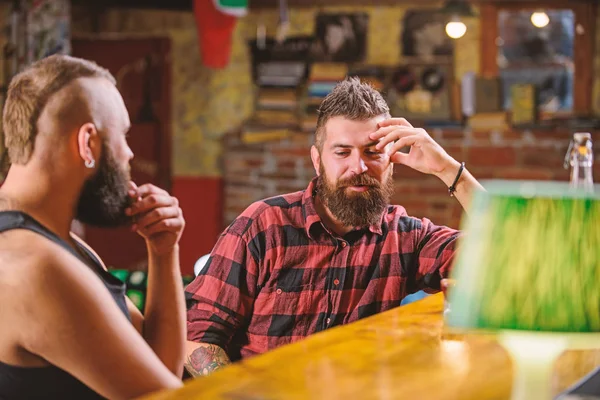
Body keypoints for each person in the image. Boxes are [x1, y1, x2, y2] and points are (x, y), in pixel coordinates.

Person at [185, 77, 484, 377]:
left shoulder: (405, 237)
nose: (359, 167)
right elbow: (197, 336)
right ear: (318, 161)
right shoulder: (263, 226)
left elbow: (509, 253)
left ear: (391, 162)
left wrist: (448, 170)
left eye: (373, 152)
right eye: (342, 153)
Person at [0, 55, 186, 399]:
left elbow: (160, 367)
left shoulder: (58, 243)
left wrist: (163, 251)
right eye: (123, 136)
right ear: (88, 143)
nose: (129, 155)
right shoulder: (35, 266)